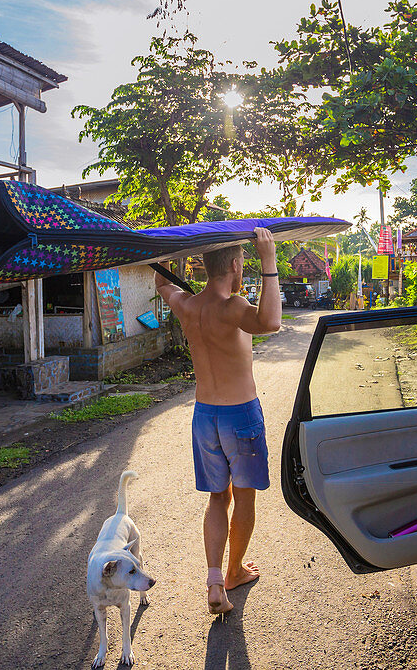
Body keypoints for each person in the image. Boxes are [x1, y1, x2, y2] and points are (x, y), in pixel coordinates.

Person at [154, 227, 282, 614]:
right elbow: (272, 321)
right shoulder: (234, 308)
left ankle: (213, 580)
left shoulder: (188, 306)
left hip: (205, 415)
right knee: (243, 496)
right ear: (233, 264)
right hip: (240, 414)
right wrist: (270, 260)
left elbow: (162, 281)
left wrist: (176, 249)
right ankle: (234, 572)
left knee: (217, 498)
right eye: (242, 259)